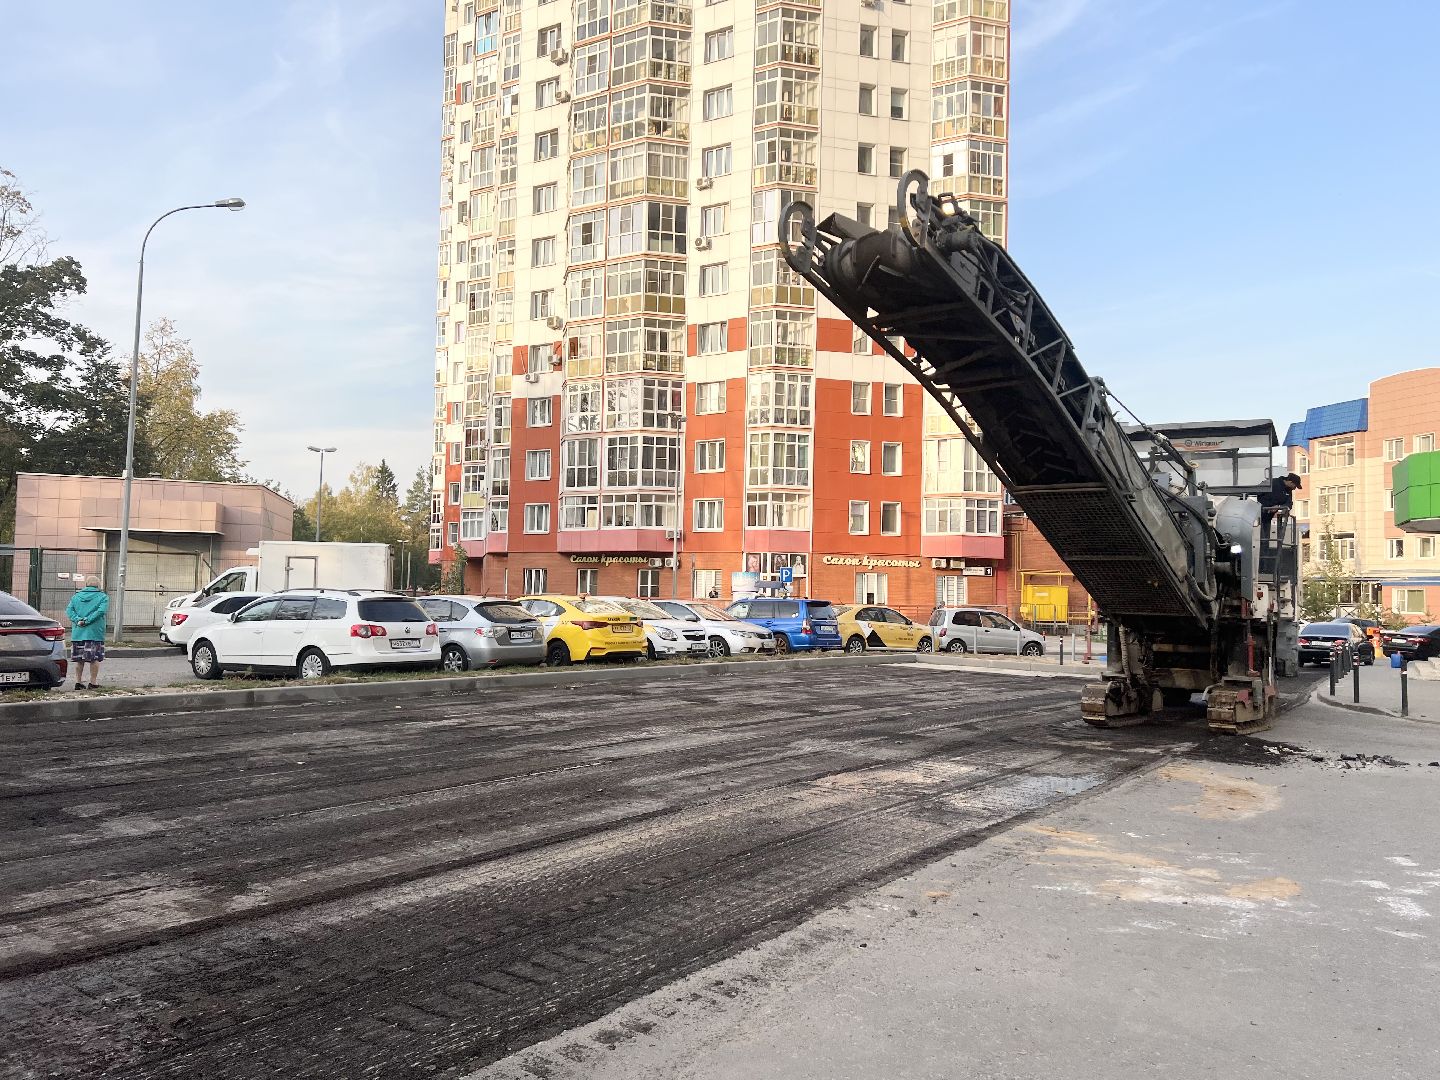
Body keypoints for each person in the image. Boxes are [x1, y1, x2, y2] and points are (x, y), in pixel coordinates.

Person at [65, 576, 109, 690]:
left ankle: (78, 682)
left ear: (86, 584)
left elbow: (69, 611)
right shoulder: (103, 597)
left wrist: (78, 620)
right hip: (94, 633)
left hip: (78, 633)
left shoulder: (76, 596)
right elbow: (101, 611)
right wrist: (87, 620)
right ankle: (93, 683)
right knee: (94, 659)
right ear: (98, 585)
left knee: (79, 660)